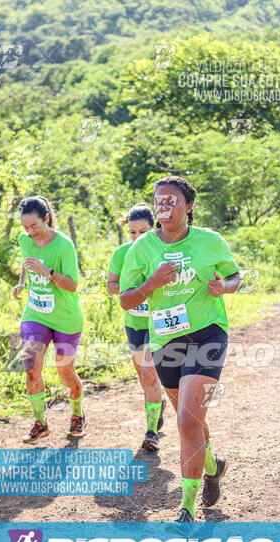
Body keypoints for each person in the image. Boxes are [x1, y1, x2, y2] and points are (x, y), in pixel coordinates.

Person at [119, 176, 241, 521]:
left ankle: (186, 507)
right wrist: (152, 283)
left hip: (208, 335)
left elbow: (235, 276)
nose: (164, 207)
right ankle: (214, 465)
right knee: (189, 421)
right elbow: (126, 300)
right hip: (166, 341)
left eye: (172, 201)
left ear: (188, 206)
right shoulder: (140, 249)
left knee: (187, 420)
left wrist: (225, 287)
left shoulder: (210, 241)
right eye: (159, 201)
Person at [12, 195, 85, 443]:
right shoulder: (25, 239)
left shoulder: (63, 245)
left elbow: (72, 285)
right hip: (36, 313)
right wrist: (22, 282)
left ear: (46, 218)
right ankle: (40, 422)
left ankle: (77, 414)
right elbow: (27, 260)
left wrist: (46, 271)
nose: (30, 232)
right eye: (25, 227)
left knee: (65, 371)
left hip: (66, 318)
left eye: (34, 226)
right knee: (31, 368)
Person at [107, 203, 165, 452]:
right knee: (144, 376)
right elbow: (111, 285)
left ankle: (151, 432)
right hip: (133, 322)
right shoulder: (121, 254)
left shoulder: (161, 250)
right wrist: (133, 291)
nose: (136, 237)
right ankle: (157, 404)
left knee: (150, 372)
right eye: (132, 232)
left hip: (158, 322)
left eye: (142, 232)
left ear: (154, 228)